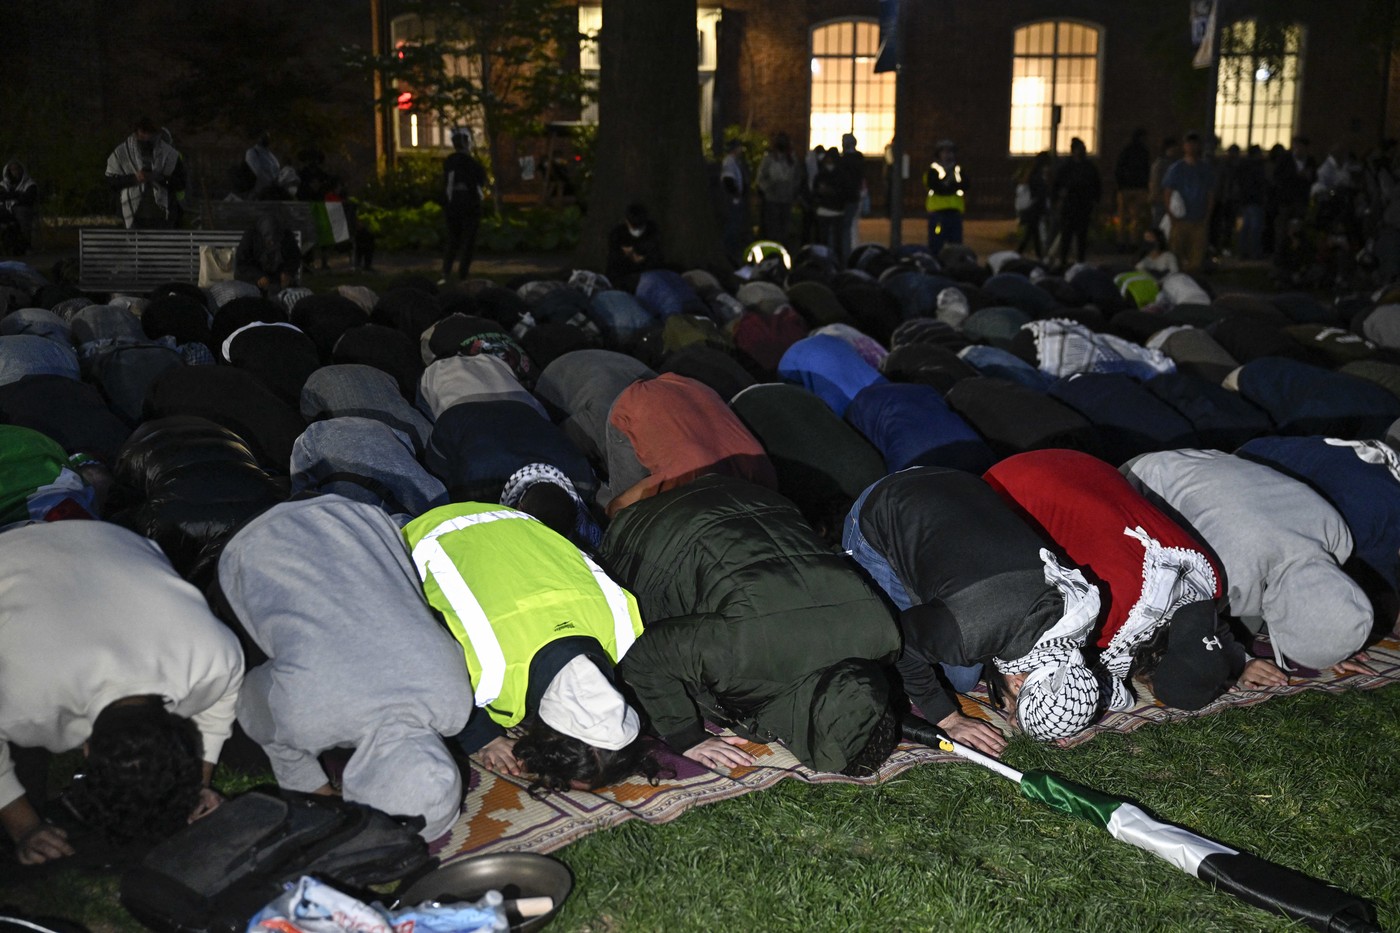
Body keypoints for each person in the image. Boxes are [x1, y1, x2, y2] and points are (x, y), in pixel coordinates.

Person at [604, 475, 902, 775]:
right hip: (652, 530)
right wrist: (686, 736)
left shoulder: (885, 635)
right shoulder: (741, 650)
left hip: (756, 496)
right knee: (636, 638)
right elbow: (645, 655)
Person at [218, 497, 472, 840]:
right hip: (251, 539)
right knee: (244, 747)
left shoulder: (455, 706)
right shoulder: (308, 718)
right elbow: (248, 700)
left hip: (358, 518)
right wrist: (313, 790)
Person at [0, 521, 244, 864]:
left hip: (110, 538)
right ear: (84, 749)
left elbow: (217, 716)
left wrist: (196, 786)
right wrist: (23, 828)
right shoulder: (22, 702)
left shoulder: (215, 656)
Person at [984, 449, 1275, 711]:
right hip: (1001, 492)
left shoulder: (1206, 578)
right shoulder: (1108, 620)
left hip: (1078, 462)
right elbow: (1037, 656)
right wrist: (1023, 700)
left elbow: (1203, 625)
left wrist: (1240, 661)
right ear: (1148, 677)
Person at [403, 500, 661, 793]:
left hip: (505, 517)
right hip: (411, 538)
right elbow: (431, 681)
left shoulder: (619, 626)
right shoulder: (491, 670)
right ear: (543, 740)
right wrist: (483, 738)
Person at [844, 467, 1106, 755]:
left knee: (962, 677)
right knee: (879, 643)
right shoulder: (969, 629)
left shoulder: (1075, 613)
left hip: (960, 482)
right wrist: (948, 718)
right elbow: (899, 645)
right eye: (1010, 710)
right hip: (886, 505)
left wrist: (1057, 718)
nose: (1006, 713)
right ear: (1018, 684)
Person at [1121, 450, 1376, 678]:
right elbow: (1188, 623)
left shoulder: (1337, 534)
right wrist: (1239, 662)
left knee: (1246, 622)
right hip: (1141, 482)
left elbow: (1327, 597)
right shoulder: (1228, 570)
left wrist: (1334, 643)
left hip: (1204, 466)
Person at [596, 372, 777, 516]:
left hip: (689, 387)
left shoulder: (765, 476)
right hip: (633, 405)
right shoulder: (690, 475)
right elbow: (620, 507)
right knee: (629, 518)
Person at [105, 117, 181, 229]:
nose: (145, 140)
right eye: (142, 135)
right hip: (131, 216)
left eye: (149, 135)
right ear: (135, 134)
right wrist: (134, 178)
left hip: (162, 216)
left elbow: (180, 182)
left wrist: (158, 178)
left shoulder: (169, 154)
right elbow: (111, 181)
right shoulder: (122, 153)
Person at [1161, 131, 1216, 274]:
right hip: (1180, 220)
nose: (1191, 147)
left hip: (1199, 219)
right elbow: (1167, 193)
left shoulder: (1205, 169)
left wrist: (1207, 216)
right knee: (1176, 256)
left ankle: (1193, 281)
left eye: (1194, 144)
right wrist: (1172, 216)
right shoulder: (1176, 169)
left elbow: (1210, 194)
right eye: (1188, 144)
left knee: (1196, 257)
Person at [441, 128, 488, 283]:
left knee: (453, 239)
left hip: (453, 205)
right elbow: (480, 182)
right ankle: (463, 273)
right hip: (470, 204)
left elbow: (446, 185)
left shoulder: (449, 162)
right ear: (467, 143)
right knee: (468, 240)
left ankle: (446, 272)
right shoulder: (472, 163)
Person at [1052, 137, 1101, 269]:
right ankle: (1064, 260)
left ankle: (1079, 260)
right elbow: (1057, 185)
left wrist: (1095, 201)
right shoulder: (1067, 167)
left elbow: (1096, 185)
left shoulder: (1087, 167)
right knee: (1067, 234)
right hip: (1070, 204)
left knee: (1081, 235)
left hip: (1083, 204)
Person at [755, 132, 801, 247]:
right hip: (772, 199)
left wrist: (792, 190)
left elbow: (797, 177)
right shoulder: (769, 159)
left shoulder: (791, 159)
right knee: (773, 227)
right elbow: (761, 177)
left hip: (786, 198)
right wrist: (769, 188)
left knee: (784, 227)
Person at [235, 214, 301, 292]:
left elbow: (294, 258)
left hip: (278, 281)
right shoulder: (251, 237)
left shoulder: (286, 236)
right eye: (268, 240)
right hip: (253, 280)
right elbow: (242, 263)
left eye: (275, 239)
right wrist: (258, 277)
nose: (272, 243)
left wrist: (287, 272)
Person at [923, 139, 966, 256]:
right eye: (945, 152)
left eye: (951, 152)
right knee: (936, 244)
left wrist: (949, 185)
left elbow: (966, 185)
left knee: (956, 245)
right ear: (939, 154)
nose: (948, 155)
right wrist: (951, 184)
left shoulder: (958, 170)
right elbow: (936, 187)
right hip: (938, 214)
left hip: (955, 213)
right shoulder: (933, 170)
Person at [605, 203, 663, 286]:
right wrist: (626, 255)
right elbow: (613, 263)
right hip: (623, 278)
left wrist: (641, 257)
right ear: (627, 221)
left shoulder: (652, 231)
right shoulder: (618, 234)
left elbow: (656, 258)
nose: (637, 231)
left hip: (647, 279)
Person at [1114, 128, 1152, 251]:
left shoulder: (1126, 151)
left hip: (1125, 188)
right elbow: (1147, 170)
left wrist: (1120, 185)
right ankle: (1133, 242)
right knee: (1136, 217)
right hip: (1139, 188)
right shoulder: (1144, 152)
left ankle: (1121, 242)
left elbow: (1118, 168)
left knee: (1123, 217)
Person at [1015, 151, 1052, 260]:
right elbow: (1040, 193)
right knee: (1032, 233)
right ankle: (1036, 255)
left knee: (1032, 232)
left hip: (1033, 208)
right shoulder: (1038, 176)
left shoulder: (1033, 174)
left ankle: (1036, 255)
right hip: (1035, 208)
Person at [720, 138, 750, 263]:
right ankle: (729, 252)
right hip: (733, 200)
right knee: (732, 227)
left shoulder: (735, 162)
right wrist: (736, 194)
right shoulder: (729, 162)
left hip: (736, 199)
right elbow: (728, 179)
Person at [837, 133, 865, 262]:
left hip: (845, 197)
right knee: (852, 225)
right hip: (856, 195)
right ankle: (850, 251)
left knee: (845, 227)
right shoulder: (859, 159)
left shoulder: (843, 160)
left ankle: (846, 255)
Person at [0, 160, 38, 255]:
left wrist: (11, 197)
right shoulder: (3, 184)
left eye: (17, 169)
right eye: (12, 170)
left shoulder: (29, 184)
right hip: (5, 210)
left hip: (22, 209)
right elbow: (1, 195)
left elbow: (28, 198)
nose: (15, 172)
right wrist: (17, 194)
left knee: (22, 213)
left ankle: (26, 245)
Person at [1148, 136, 1181, 233]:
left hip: (1164, 199)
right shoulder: (1162, 164)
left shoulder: (1166, 163)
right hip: (1161, 200)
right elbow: (1156, 183)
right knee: (1159, 224)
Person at [245, 132, 282, 201]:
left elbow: (277, 169)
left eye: (268, 138)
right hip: (259, 192)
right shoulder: (252, 152)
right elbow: (258, 171)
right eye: (264, 137)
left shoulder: (270, 155)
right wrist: (270, 182)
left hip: (272, 192)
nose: (266, 139)